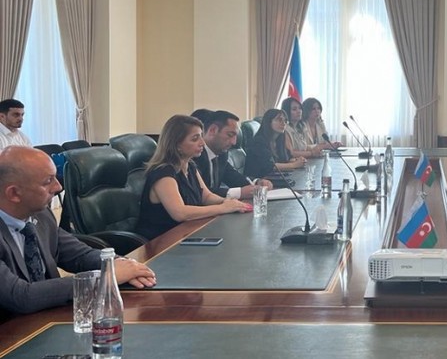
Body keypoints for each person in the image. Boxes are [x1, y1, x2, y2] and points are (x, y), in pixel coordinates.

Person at [0, 146, 155, 315]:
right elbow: (20, 296)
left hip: (49, 317)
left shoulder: (41, 215)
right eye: (48, 181)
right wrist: (104, 278)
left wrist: (122, 265)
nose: (58, 187)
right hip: (11, 327)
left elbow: (80, 255)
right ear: (14, 193)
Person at [136, 115, 251, 240]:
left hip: (188, 233)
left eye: (201, 136)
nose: (202, 143)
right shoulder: (163, 173)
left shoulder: (190, 165)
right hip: (162, 241)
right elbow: (180, 213)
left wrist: (228, 202)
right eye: (195, 139)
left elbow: (206, 197)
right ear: (177, 144)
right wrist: (222, 208)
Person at [191, 109, 273, 199]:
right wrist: (239, 193)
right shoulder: (193, 156)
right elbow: (201, 193)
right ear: (212, 130)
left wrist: (256, 182)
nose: (234, 142)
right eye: (230, 135)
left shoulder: (221, 154)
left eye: (235, 136)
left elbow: (233, 177)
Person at [244, 109, 307, 178]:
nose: (283, 123)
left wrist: (296, 160)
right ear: (268, 122)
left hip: (274, 178)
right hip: (259, 180)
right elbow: (269, 166)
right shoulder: (258, 142)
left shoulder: (278, 140)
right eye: (279, 120)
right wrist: (294, 165)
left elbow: (284, 159)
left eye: (285, 121)